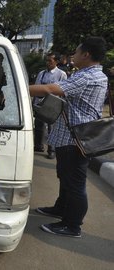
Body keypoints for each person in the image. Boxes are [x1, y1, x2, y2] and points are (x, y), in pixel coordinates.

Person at [29, 36, 108, 238]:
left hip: (76, 140)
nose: (73, 55)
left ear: (86, 54)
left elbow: (50, 89)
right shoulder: (89, 74)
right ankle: (60, 208)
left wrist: (16, 89)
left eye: (76, 51)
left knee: (74, 183)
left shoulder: (87, 76)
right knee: (65, 178)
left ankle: (72, 225)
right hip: (70, 137)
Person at [33, 53, 67, 159]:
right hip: (40, 103)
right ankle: (38, 145)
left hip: (52, 105)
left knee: (51, 128)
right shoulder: (41, 73)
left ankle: (51, 150)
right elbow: (36, 87)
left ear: (56, 62)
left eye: (50, 61)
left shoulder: (61, 74)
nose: (47, 63)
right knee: (39, 125)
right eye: (47, 61)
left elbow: (63, 91)